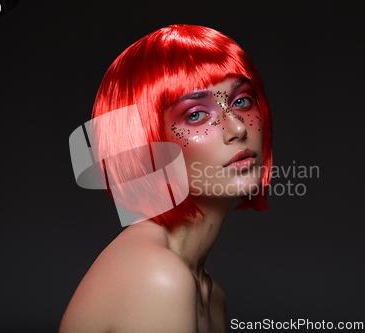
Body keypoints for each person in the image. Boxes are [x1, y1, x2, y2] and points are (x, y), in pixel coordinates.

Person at [59, 24, 272, 333]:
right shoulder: (158, 278)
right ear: (146, 142)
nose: (238, 128)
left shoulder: (211, 295)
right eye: (196, 114)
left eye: (241, 101)